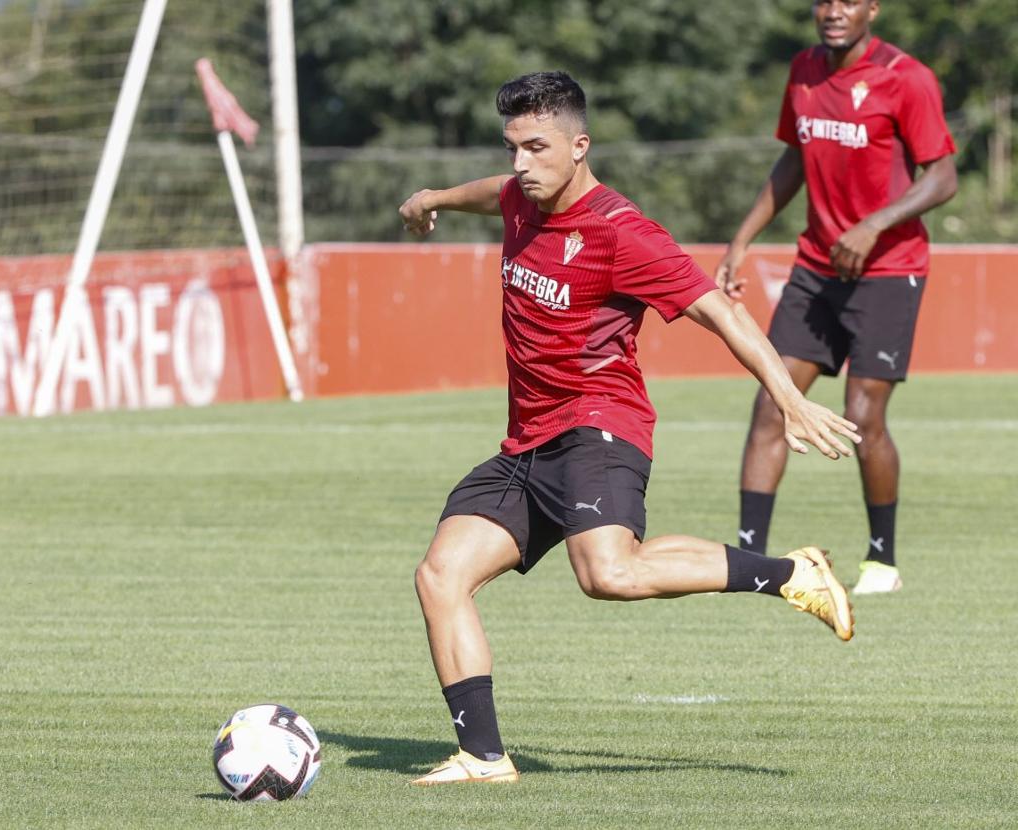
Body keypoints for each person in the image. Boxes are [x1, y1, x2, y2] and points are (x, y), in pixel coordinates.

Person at [398, 70, 861, 787]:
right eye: (513, 146)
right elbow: (491, 193)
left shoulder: (623, 233)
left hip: (599, 426)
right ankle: (484, 758)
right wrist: (433, 200)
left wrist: (788, 399)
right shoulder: (522, 195)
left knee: (609, 574)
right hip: (527, 441)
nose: (521, 164)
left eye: (537, 147)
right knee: (439, 576)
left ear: (579, 146)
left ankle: (791, 573)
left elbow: (721, 312)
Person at [714, 0, 957, 595]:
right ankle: (750, 562)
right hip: (816, 269)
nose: (834, 11)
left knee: (863, 416)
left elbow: (943, 176)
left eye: (849, 0)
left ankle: (881, 561)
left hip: (889, 271)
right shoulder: (803, 70)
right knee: (773, 402)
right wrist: (741, 241)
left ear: (873, 9)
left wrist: (875, 224)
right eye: (824, 0)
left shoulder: (908, 77)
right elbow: (793, 160)